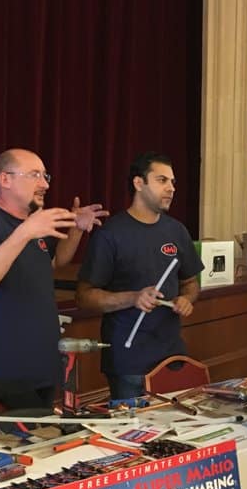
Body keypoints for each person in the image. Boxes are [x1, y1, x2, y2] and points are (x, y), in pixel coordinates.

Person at [0, 148, 107, 403]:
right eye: (34, 175)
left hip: (43, 363)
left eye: (45, 176)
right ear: (5, 179)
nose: (44, 184)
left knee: (42, 427)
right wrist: (25, 232)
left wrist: (77, 229)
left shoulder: (35, 225)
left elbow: (53, 262)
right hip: (7, 371)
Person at [75, 152, 204, 400]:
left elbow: (190, 283)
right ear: (138, 183)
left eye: (173, 182)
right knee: (130, 425)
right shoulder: (111, 234)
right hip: (129, 360)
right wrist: (133, 298)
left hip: (172, 355)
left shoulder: (177, 231)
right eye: (162, 180)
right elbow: (84, 296)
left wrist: (187, 299)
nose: (171, 188)